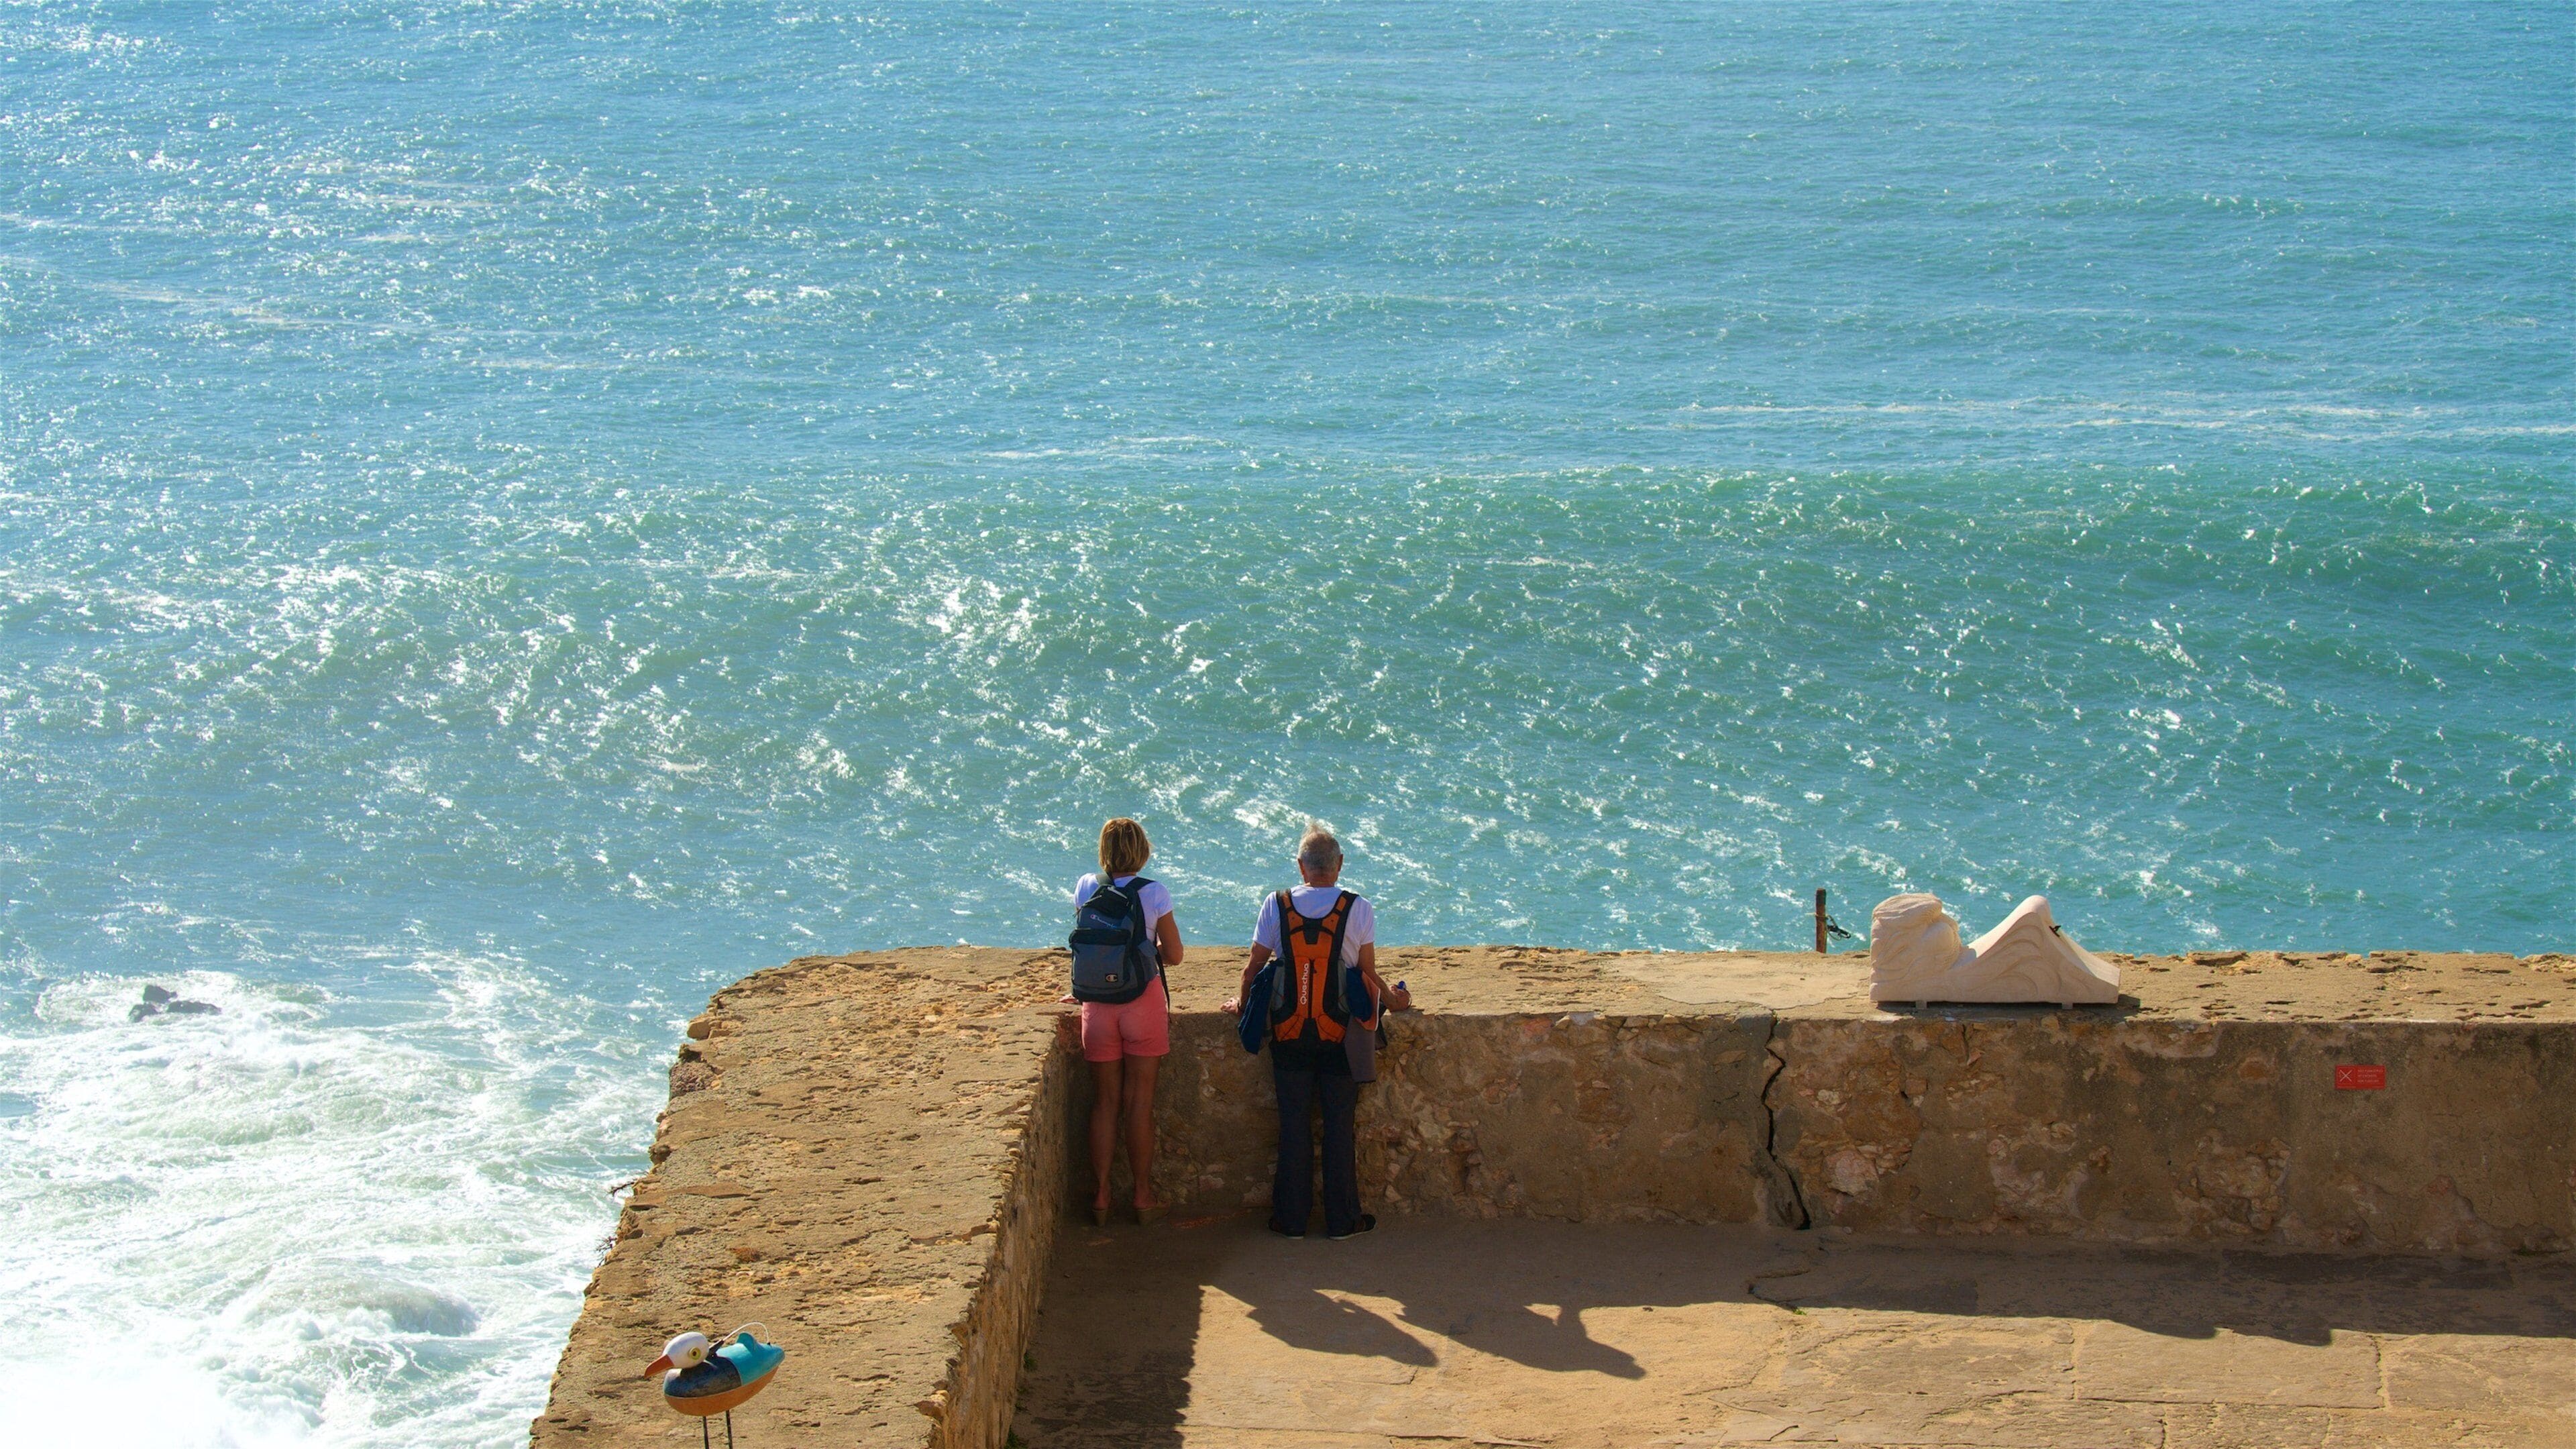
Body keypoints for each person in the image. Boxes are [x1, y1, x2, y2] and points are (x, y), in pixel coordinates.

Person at [1225, 825, 1409, 1240]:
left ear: (1301, 866)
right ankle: (1343, 1222)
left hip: (1290, 1036)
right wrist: (1397, 1002)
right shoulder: (1358, 908)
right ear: (1339, 865)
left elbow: (1252, 968)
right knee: (1339, 1127)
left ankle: (1290, 1221)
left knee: (1293, 1126)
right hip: (1339, 1036)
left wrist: (1242, 1004)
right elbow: (1366, 973)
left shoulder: (1276, 905)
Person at [1071, 817, 1184, 1227]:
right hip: (1142, 1002)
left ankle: (1100, 1197)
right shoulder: (1154, 892)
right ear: (1143, 851)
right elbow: (1174, 954)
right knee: (1139, 1103)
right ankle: (1142, 1196)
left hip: (1096, 1005)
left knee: (1105, 1102)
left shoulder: (1087, 886)